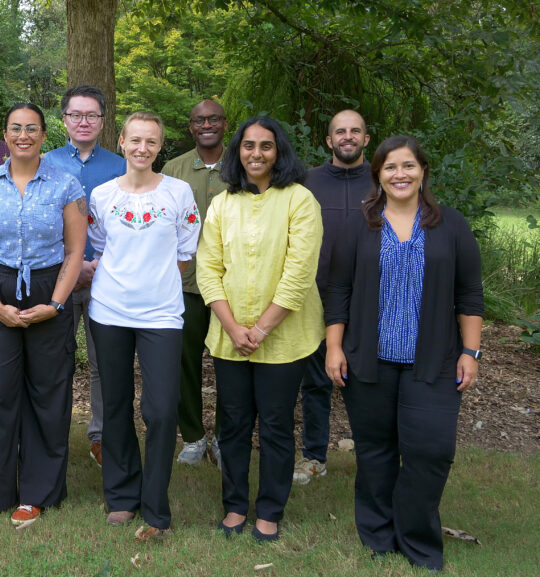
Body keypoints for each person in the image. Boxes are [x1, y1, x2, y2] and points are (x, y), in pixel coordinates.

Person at [325, 135, 483, 572]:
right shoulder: (359, 225)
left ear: (423, 172)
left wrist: (471, 351)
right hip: (368, 359)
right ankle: (378, 536)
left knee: (430, 450)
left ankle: (418, 539)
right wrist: (334, 347)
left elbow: (469, 293)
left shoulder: (450, 225)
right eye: (391, 167)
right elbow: (338, 289)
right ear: (378, 174)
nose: (400, 174)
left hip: (432, 361)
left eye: (408, 166)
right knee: (375, 450)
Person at [195, 116, 323, 542]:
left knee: (275, 425)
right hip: (230, 337)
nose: (256, 154)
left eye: (266, 146)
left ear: (278, 151)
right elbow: (208, 269)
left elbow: (299, 273)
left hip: (284, 338)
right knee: (231, 424)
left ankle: (269, 510)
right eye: (248, 146)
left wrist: (262, 329)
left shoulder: (299, 200)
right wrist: (232, 327)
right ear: (238, 151)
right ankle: (234, 506)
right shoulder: (222, 204)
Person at [0, 103, 86, 525]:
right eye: (16, 128)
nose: (23, 135)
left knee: (48, 394)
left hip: (50, 288)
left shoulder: (66, 185)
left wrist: (54, 304)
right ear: (6, 134)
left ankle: (37, 492)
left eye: (32, 128)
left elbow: (74, 252)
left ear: (44, 134)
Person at [87, 111, 201, 540]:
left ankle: (156, 502)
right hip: (110, 311)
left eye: (151, 142)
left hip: (162, 315)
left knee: (160, 409)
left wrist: (152, 278)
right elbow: (99, 248)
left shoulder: (179, 192)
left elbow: (185, 253)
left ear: (160, 146)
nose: (142, 148)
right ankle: (121, 495)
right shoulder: (101, 196)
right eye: (135, 140)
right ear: (121, 141)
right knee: (115, 406)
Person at [44, 85, 127, 468]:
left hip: (107, 279)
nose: (83, 122)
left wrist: (96, 266)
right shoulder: (45, 163)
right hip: (57, 278)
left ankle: (101, 436)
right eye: (75, 115)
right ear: (63, 120)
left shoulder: (121, 166)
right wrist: (73, 266)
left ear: (102, 121)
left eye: (91, 115)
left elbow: (130, 227)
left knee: (103, 363)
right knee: (53, 361)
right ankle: (50, 433)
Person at [294, 109, 373, 485]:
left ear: (366, 139)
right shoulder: (307, 182)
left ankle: (375, 455)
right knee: (315, 383)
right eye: (340, 132)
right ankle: (314, 456)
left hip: (370, 300)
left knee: (370, 382)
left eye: (355, 131)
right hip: (316, 298)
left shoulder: (383, 180)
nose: (347, 137)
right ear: (328, 140)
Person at [161, 99, 230, 468]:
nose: (206, 124)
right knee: (184, 362)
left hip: (231, 287)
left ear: (224, 123)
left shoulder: (241, 164)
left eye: (213, 118)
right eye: (199, 120)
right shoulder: (173, 168)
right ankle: (192, 436)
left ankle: (222, 436)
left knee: (228, 364)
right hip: (184, 284)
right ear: (190, 127)